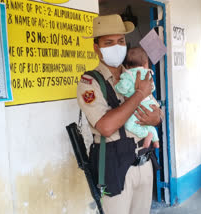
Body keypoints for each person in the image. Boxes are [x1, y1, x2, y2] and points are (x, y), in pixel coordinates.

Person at [77, 14, 162, 214]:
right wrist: (139, 94)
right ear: (96, 48)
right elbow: (106, 127)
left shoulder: (136, 73)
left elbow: (155, 110)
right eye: (109, 42)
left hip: (144, 159)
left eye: (121, 41)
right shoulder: (90, 82)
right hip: (115, 166)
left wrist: (156, 118)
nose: (117, 46)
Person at [115, 47, 160, 149]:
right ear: (145, 63)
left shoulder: (127, 75)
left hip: (138, 106)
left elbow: (122, 88)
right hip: (149, 104)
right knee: (146, 121)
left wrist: (117, 86)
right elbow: (152, 88)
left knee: (129, 125)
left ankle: (147, 134)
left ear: (127, 65)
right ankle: (154, 137)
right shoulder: (147, 73)